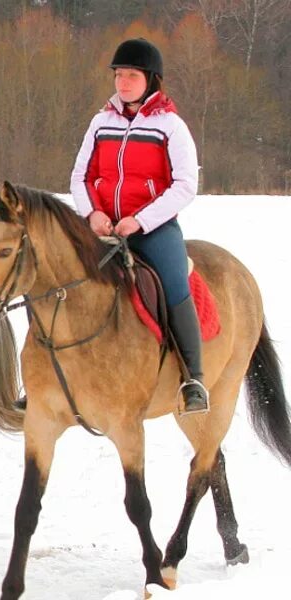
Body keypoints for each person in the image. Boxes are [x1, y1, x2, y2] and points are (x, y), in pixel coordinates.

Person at [69, 38, 209, 415]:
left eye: (131, 75)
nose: (123, 82)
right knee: (56, 274)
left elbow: (185, 185)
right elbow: (80, 176)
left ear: (151, 80)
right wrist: (92, 214)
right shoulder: (101, 122)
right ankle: (47, 374)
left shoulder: (170, 126)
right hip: (102, 226)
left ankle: (193, 378)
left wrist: (141, 220)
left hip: (152, 229)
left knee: (175, 282)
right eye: (118, 75)